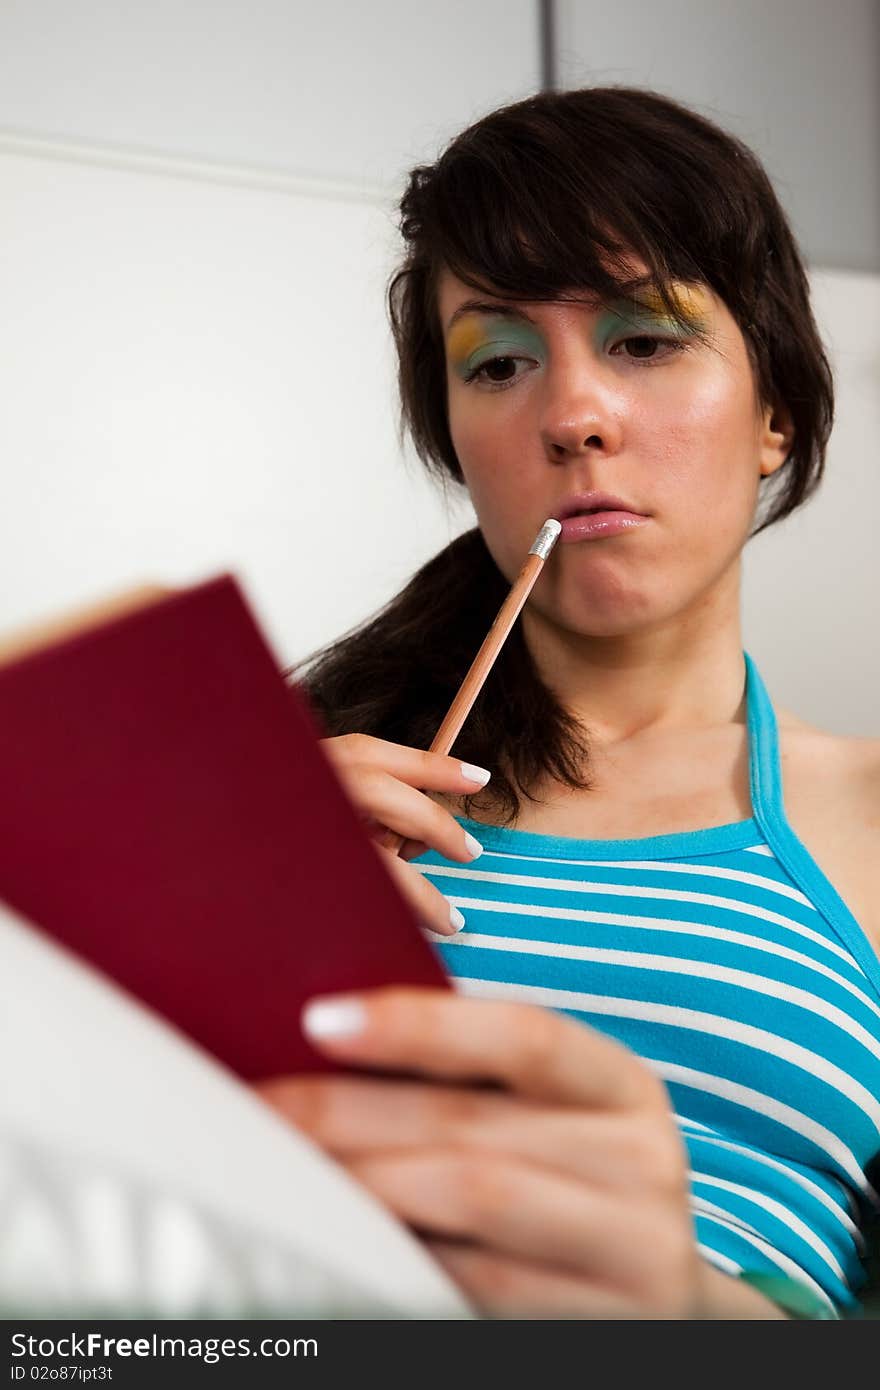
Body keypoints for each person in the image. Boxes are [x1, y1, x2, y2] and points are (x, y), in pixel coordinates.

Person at [260, 86, 880, 1320]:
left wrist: (688, 1312)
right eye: (498, 360)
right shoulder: (293, 779)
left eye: (644, 338)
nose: (571, 415)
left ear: (775, 413)